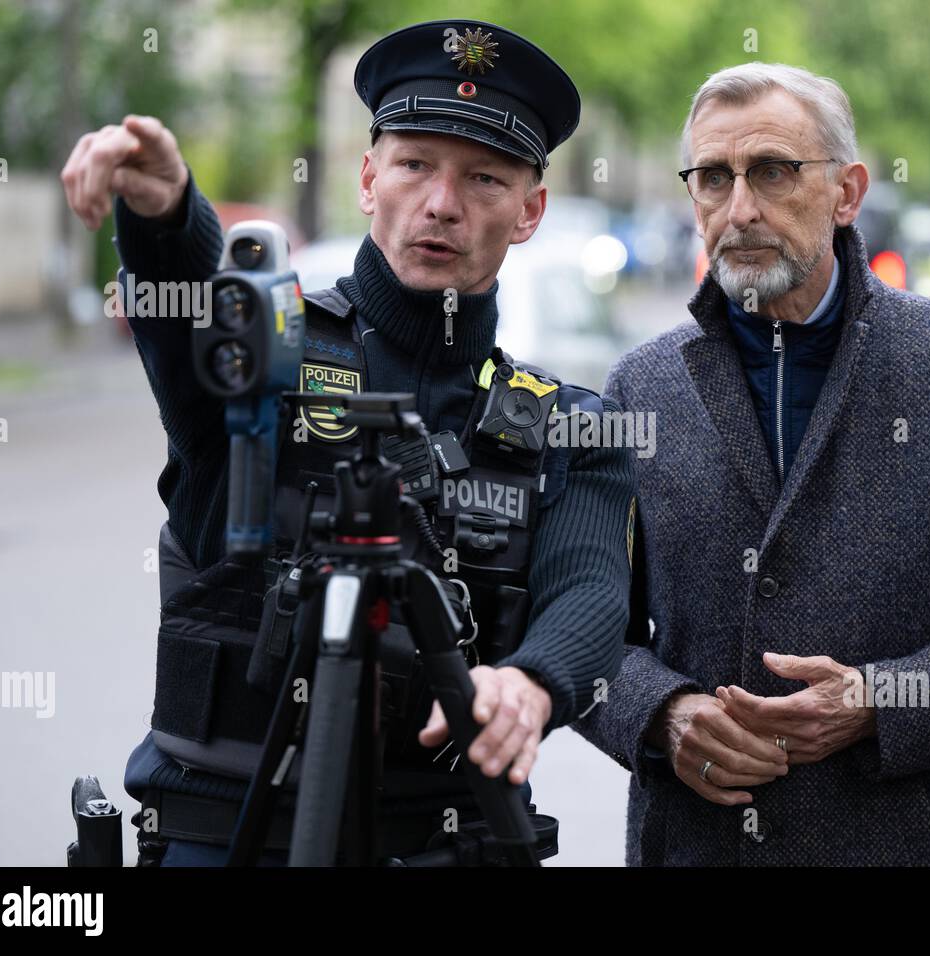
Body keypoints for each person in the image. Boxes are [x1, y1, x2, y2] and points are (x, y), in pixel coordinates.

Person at [60, 19, 635, 865]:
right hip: (221, 832)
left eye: (484, 178)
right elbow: (200, 305)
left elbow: (590, 592)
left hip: (445, 835)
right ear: (368, 179)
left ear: (530, 212)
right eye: (413, 166)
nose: (441, 204)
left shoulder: (569, 424)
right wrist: (166, 211)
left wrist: (530, 682)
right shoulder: (262, 356)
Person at [572, 62, 930, 866]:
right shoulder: (638, 385)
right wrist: (661, 715)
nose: (741, 208)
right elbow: (583, 628)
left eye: (773, 171)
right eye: (713, 179)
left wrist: (883, 701)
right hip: (693, 844)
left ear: (848, 191)